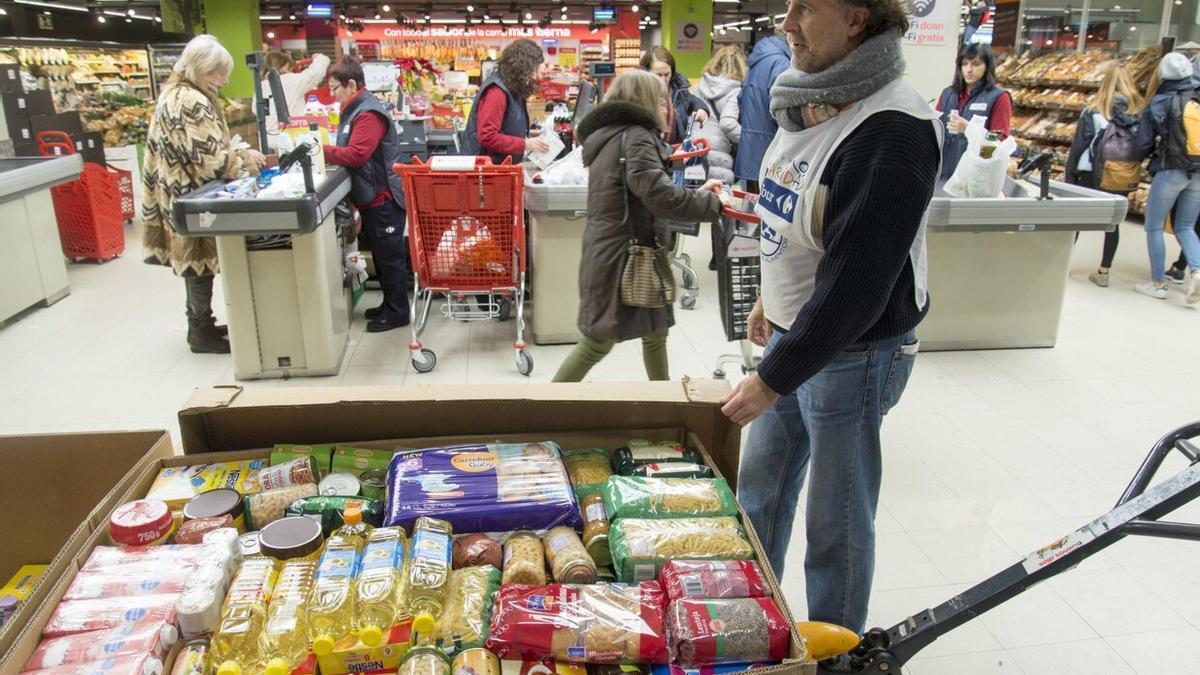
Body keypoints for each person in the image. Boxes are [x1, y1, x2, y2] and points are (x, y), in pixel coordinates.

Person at [719, 0, 941, 637]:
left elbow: (856, 286)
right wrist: (773, 294)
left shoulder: (892, 128)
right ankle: (746, 621)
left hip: (855, 351)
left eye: (805, 8)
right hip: (799, 337)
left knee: (835, 520)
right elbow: (797, 213)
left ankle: (837, 646)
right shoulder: (811, 99)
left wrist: (771, 378)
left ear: (857, 20)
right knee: (759, 494)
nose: (786, 23)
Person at [551, 70, 723, 383]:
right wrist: (712, 205)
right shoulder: (638, 137)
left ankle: (662, 402)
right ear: (643, 102)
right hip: (624, 258)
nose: (667, 108)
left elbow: (648, 190)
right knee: (598, 342)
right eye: (660, 100)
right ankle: (541, 408)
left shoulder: (614, 135)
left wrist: (696, 195)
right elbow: (660, 196)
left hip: (622, 252)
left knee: (655, 332)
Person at [142, 35, 266, 355]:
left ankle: (202, 324)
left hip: (178, 191)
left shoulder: (176, 92)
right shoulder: (190, 101)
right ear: (200, 68)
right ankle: (200, 331)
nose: (224, 80)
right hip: (192, 195)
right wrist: (246, 161)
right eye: (218, 73)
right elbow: (212, 161)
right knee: (199, 264)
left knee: (198, 265)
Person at [322, 57, 411, 331]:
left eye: (335, 88)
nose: (333, 94)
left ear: (351, 84)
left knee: (390, 258)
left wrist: (318, 149)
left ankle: (397, 312)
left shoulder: (368, 113)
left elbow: (357, 154)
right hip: (371, 196)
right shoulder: (355, 109)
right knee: (383, 258)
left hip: (382, 198)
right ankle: (389, 304)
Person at [1064, 65, 1143, 288]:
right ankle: (1104, 271)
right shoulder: (1137, 113)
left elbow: (1079, 146)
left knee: (1076, 221)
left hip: (1090, 174)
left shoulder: (1094, 111)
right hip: (1119, 175)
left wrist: (1070, 176)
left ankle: (1063, 264)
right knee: (1113, 224)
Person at [1133, 52, 1200, 303]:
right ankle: (1197, 270)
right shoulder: (1197, 97)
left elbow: (1143, 143)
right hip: (1198, 170)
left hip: (1170, 168)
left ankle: (1158, 283)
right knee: (1186, 226)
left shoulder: (1160, 101)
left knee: (1154, 226)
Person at [461, 39, 550, 163]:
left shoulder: (512, 87)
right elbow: (488, 137)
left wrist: (529, 135)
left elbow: (507, 124)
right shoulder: (497, 92)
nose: (538, 74)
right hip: (487, 171)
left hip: (499, 165)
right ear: (524, 66)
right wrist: (525, 143)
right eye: (536, 67)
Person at [936, 43, 1012, 180]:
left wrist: (969, 129)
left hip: (974, 179)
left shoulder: (999, 97)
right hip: (942, 174)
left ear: (987, 66)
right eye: (964, 64)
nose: (969, 69)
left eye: (975, 64)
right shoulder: (948, 94)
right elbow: (936, 130)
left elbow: (999, 142)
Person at [735, 29, 792, 192]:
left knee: (750, 211)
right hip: (770, 156)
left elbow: (740, 100)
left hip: (749, 152)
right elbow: (784, 113)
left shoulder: (758, 60)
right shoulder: (781, 63)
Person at [693, 46, 747, 185]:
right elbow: (727, 123)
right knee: (717, 197)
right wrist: (748, 139)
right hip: (718, 151)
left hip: (695, 147)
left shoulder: (699, 85)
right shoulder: (733, 90)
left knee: (697, 194)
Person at [261, 50, 331, 149]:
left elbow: (257, 110)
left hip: (267, 141)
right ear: (283, 64)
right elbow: (315, 74)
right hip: (289, 138)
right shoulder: (291, 81)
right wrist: (320, 58)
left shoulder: (261, 86)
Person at [639, 46, 710, 144]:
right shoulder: (637, 96)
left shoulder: (678, 89)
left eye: (667, 74)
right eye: (658, 75)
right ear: (645, 73)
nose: (663, 80)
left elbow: (692, 100)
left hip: (679, 152)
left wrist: (701, 109)